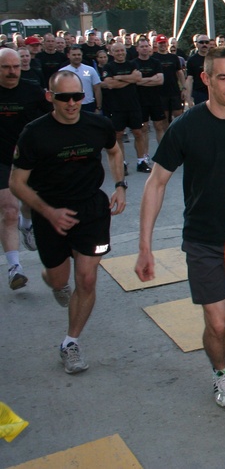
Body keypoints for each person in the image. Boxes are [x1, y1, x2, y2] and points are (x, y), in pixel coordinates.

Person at [135, 47, 225, 407]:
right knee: (215, 323)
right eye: (223, 78)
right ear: (206, 79)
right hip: (204, 240)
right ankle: (221, 374)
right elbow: (156, 183)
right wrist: (145, 246)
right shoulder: (186, 126)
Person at [10, 71, 126, 373]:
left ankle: (70, 342)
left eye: (78, 96)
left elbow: (114, 151)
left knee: (86, 279)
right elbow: (17, 184)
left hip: (91, 210)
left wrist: (120, 185)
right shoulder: (34, 134)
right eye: (64, 98)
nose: (72, 103)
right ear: (51, 97)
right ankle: (56, 284)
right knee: (59, 279)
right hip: (50, 211)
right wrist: (48, 212)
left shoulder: (98, 124)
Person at [0, 48, 48, 290]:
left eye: (16, 67)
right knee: (9, 211)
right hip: (1, 160)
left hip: (28, 160)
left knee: (27, 204)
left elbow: (51, 118)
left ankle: (27, 224)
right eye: (6, 67)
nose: (12, 72)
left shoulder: (32, 90)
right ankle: (14, 268)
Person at [101, 42, 144, 177]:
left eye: (121, 50)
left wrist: (119, 77)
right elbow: (110, 84)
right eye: (116, 51)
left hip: (134, 105)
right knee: (118, 135)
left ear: (125, 52)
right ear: (111, 53)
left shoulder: (132, 64)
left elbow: (138, 78)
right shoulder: (109, 66)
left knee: (138, 132)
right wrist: (129, 79)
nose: (120, 53)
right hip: (117, 107)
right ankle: (122, 163)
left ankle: (141, 161)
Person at [131, 38, 165, 169]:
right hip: (139, 100)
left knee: (159, 126)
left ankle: (162, 154)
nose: (145, 48)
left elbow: (160, 80)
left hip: (155, 99)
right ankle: (144, 156)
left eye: (146, 46)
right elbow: (135, 81)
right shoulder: (133, 63)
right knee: (142, 128)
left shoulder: (155, 62)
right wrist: (151, 79)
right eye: (142, 46)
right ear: (137, 48)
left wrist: (142, 80)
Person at [152, 34, 186, 125]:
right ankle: (168, 137)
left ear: (167, 44)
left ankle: (178, 137)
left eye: (164, 43)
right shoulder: (154, 58)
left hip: (174, 90)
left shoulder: (174, 57)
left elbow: (180, 72)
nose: (162, 45)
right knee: (165, 119)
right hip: (160, 92)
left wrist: (184, 88)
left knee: (178, 116)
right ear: (157, 44)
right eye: (160, 43)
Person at [58, 45, 102, 114]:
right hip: (70, 106)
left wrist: (98, 107)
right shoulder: (62, 71)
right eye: (74, 55)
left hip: (88, 105)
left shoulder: (90, 70)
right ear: (68, 55)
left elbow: (97, 89)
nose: (77, 57)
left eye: (79, 54)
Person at [185, 34, 211, 106]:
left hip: (213, 91)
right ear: (196, 44)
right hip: (199, 93)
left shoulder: (214, 58)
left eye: (206, 42)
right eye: (201, 42)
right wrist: (188, 97)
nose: (204, 44)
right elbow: (189, 79)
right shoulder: (192, 60)